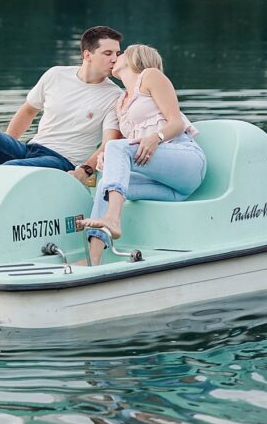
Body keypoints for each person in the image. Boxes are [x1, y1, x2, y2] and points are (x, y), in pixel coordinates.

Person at [80, 43, 206, 266]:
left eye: (120, 53)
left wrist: (156, 137)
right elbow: (122, 149)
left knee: (116, 148)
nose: (115, 58)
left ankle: (112, 218)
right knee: (103, 185)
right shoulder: (121, 102)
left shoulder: (150, 77)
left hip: (186, 161)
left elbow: (176, 122)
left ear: (133, 57)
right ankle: (93, 259)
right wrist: (104, 159)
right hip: (166, 186)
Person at [0, 26, 124, 179]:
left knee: (7, 170)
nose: (115, 59)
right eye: (107, 54)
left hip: (62, 161)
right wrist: (7, 146)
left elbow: (109, 143)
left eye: (117, 53)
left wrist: (85, 170)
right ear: (88, 55)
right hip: (31, 150)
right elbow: (28, 111)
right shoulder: (56, 75)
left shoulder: (114, 96)